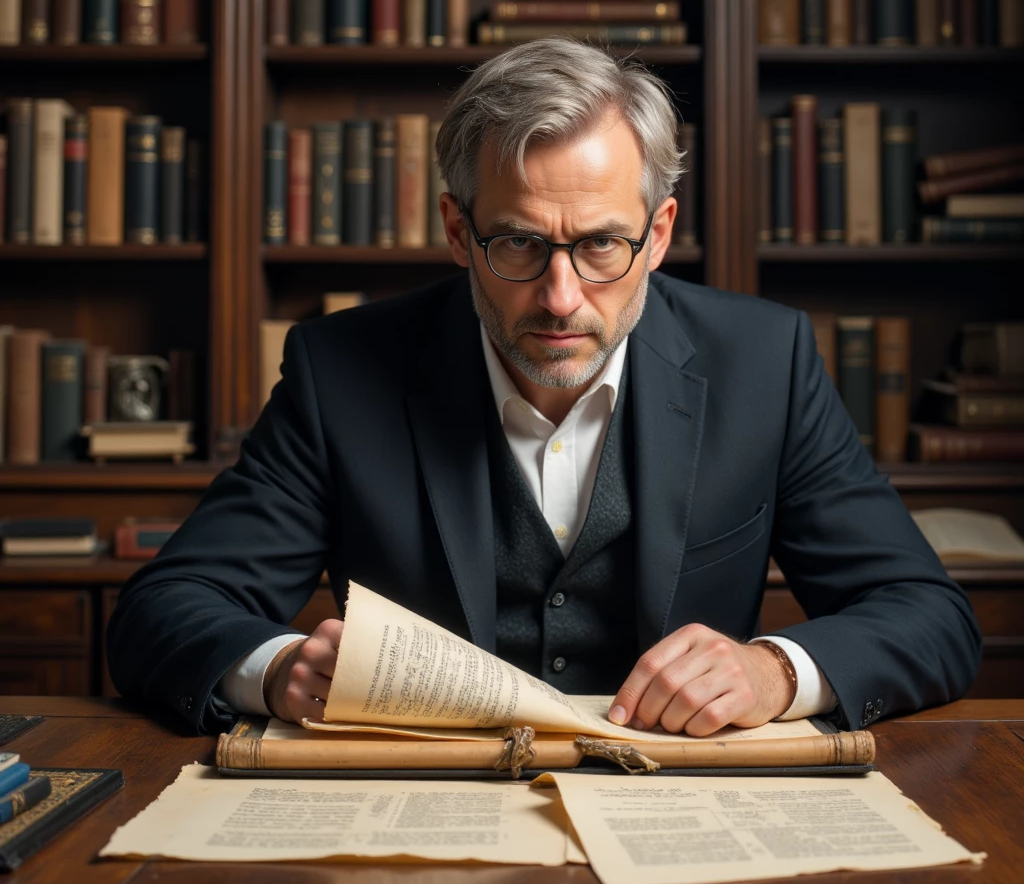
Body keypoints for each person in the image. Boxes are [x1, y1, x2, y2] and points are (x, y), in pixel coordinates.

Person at [107, 38, 981, 735]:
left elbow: (928, 615)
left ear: (661, 231)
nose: (562, 299)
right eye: (520, 244)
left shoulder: (766, 362)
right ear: (458, 229)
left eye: (603, 244)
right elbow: (162, 611)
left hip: (677, 820)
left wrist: (773, 670)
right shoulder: (340, 371)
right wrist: (275, 667)